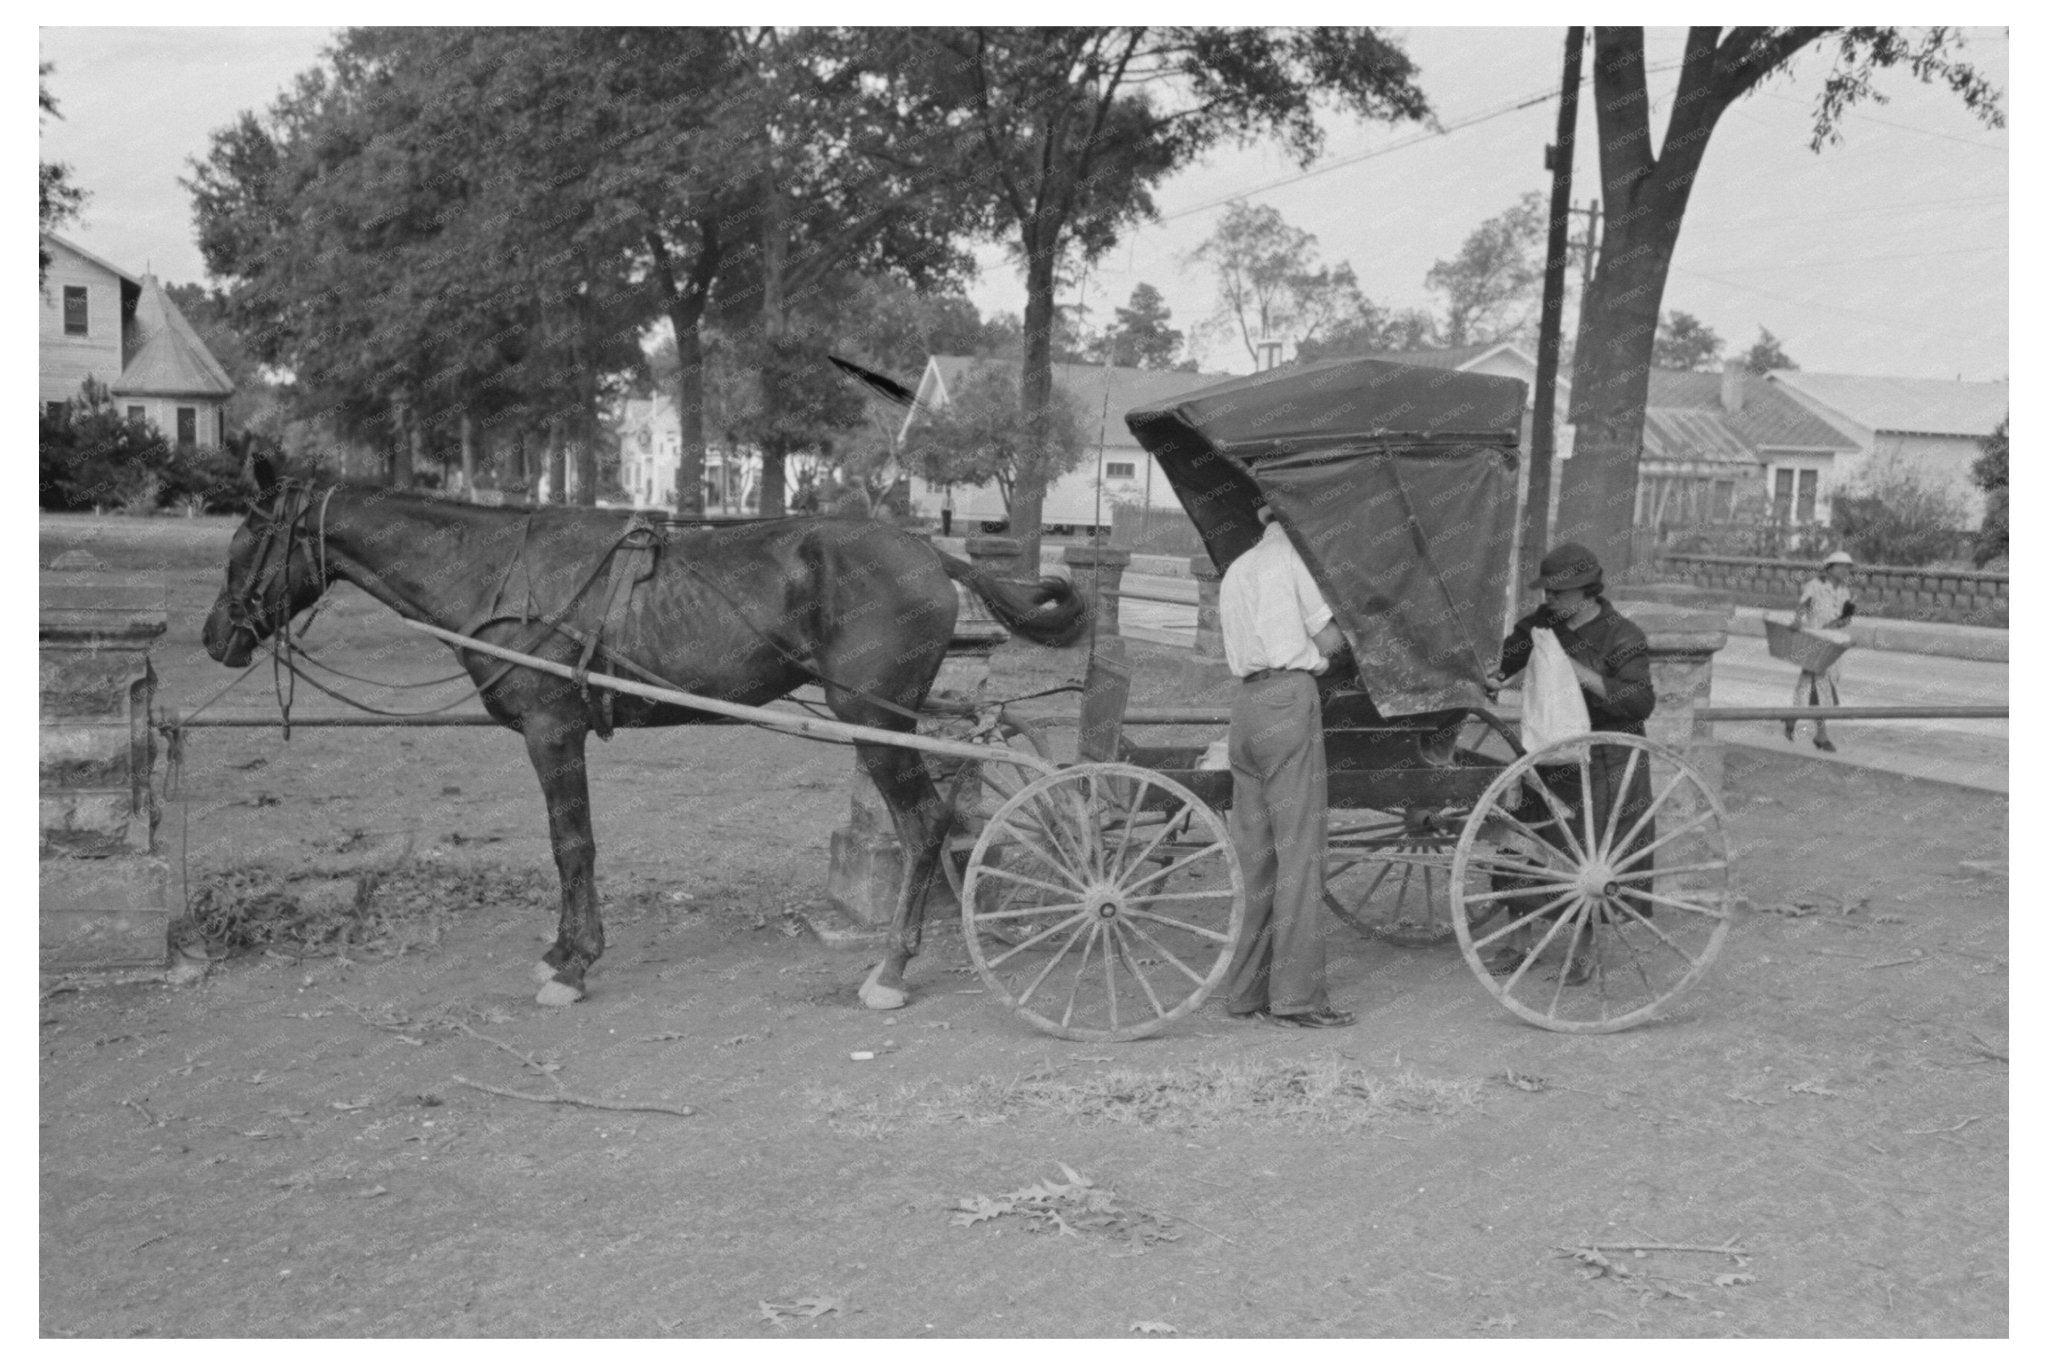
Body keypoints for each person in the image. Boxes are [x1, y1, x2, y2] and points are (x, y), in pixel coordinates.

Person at [1483, 542, 1656, 982]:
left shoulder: (1622, 635)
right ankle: (1519, 940)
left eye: (1559, 593)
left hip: (1604, 758)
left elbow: (1637, 702)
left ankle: (1583, 949)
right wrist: (1495, 674)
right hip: (1549, 752)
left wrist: (1575, 670)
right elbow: (1509, 657)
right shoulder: (1545, 623)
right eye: (1548, 592)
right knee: (1524, 844)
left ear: (1587, 591)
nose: (1550, 600)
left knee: (1589, 857)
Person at [1218, 502, 1354, 1028]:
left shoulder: (1238, 568)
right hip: (1289, 697)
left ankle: (1244, 993)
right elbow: (1328, 640)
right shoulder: (1294, 560)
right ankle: (1297, 998)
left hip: (1245, 707)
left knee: (1256, 857)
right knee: (1300, 853)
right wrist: (1343, 643)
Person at [1787, 549, 1856, 753]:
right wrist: (1798, 621)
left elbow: (1844, 619)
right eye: (1841, 566)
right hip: (1814, 640)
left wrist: (1845, 617)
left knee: (1810, 686)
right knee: (1820, 688)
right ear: (1830, 568)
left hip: (1833, 643)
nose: (1845, 571)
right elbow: (1803, 606)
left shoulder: (1845, 591)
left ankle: (1791, 719)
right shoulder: (1815, 586)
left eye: (1848, 567)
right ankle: (1821, 735)